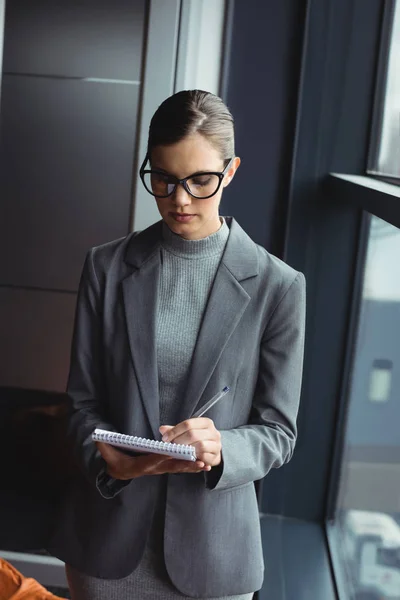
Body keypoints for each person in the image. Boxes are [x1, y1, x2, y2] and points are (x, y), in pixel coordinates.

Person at [48, 90, 306, 599]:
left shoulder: (279, 285)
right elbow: (81, 403)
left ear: (230, 172)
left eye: (199, 180)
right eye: (162, 178)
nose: (179, 198)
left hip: (215, 558)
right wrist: (108, 461)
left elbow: (278, 432)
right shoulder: (106, 267)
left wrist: (221, 446)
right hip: (109, 548)